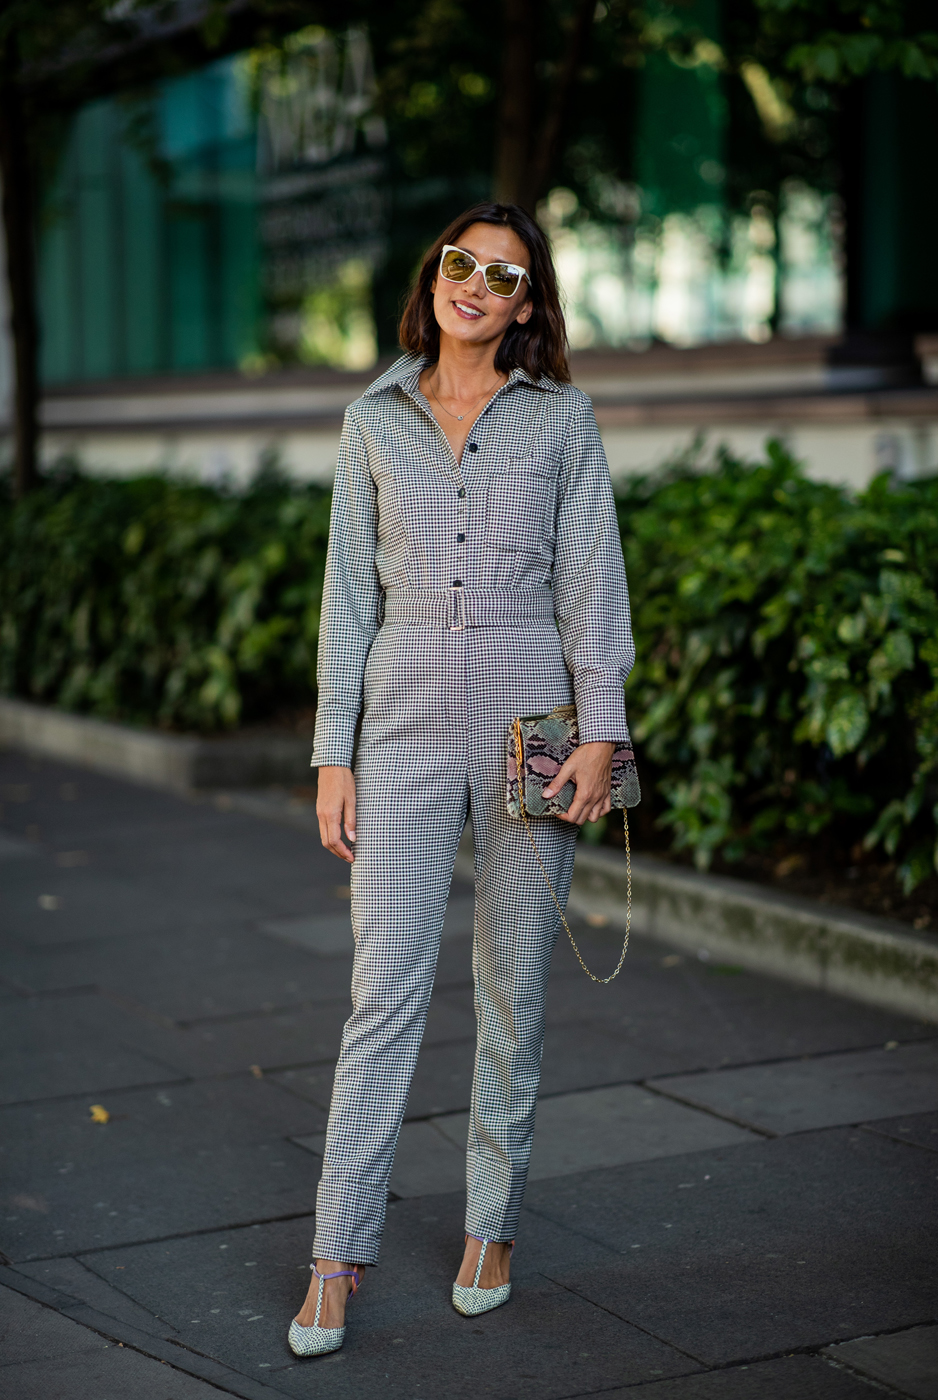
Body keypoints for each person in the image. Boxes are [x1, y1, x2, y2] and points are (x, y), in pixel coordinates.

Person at [288, 201, 635, 1358]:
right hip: (400, 719)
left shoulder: (562, 421)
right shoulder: (371, 418)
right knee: (383, 983)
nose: (476, 284)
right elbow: (346, 594)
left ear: (526, 304)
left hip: (534, 706)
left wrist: (605, 732)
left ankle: (490, 1224)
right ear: (432, 275)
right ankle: (336, 1252)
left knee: (510, 982)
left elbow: (592, 583)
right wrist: (330, 750)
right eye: (460, 262)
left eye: (504, 274)